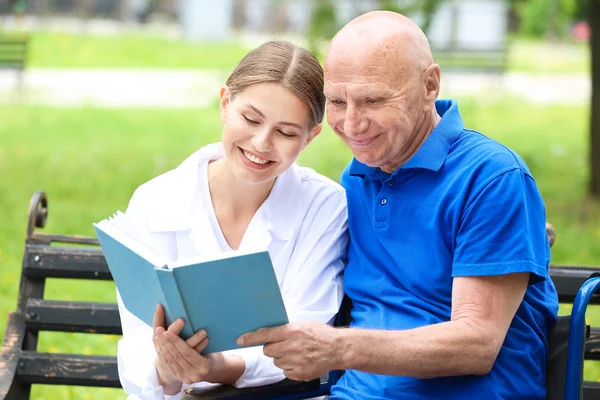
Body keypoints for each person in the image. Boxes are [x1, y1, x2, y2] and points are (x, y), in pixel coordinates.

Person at [238, 11, 559, 399]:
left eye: (372, 99)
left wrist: (338, 347)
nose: (352, 124)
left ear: (430, 85)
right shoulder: (356, 179)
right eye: (337, 101)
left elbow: (476, 344)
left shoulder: (491, 177)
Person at [116, 40, 348, 400]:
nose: (261, 143)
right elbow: (137, 343)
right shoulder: (154, 201)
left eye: (286, 133)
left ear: (310, 137)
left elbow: (306, 336)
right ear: (225, 103)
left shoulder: (324, 205)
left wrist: (217, 367)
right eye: (251, 119)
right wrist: (167, 366)